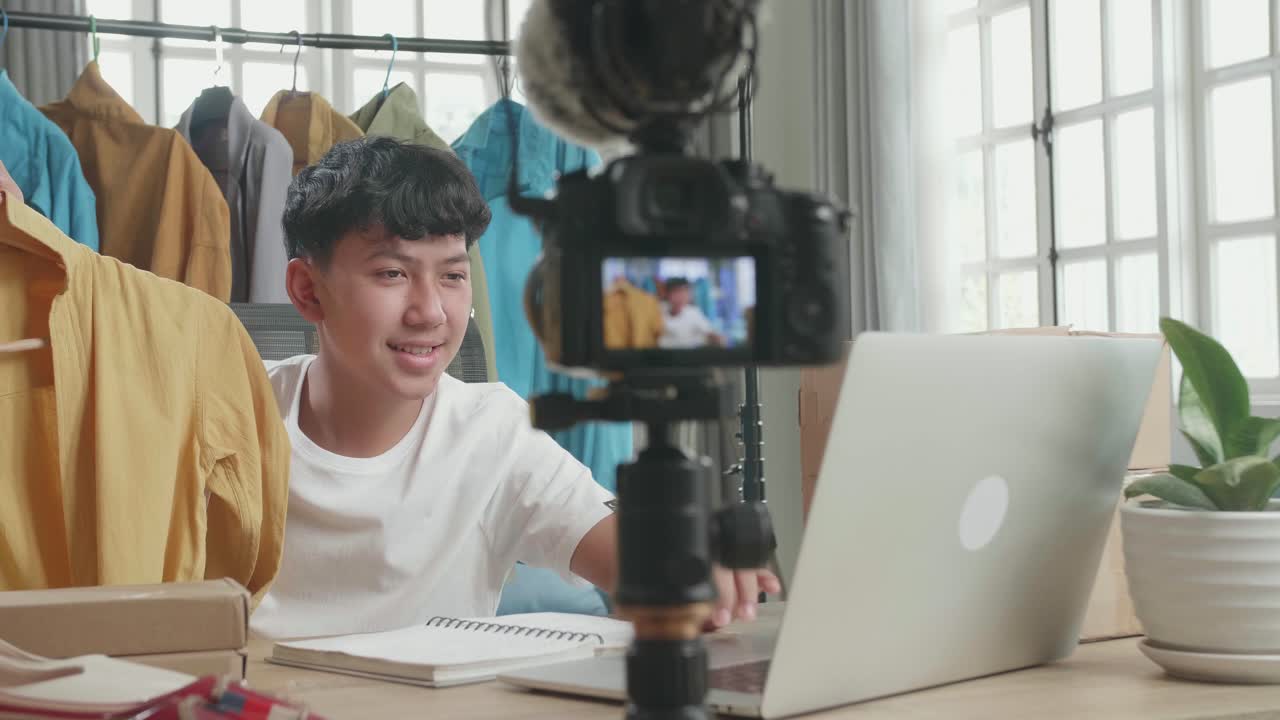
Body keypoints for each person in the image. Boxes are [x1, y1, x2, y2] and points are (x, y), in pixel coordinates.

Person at [248, 137, 778, 639]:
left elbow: (632, 557)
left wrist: (695, 573)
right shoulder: (230, 415)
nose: (431, 312)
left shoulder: (492, 430)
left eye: (453, 277)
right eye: (392, 273)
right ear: (307, 290)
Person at [659, 277, 725, 349]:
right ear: (667, 294)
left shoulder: (693, 312)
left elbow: (710, 333)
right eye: (677, 292)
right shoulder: (659, 309)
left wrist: (717, 339)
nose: (682, 296)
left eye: (685, 292)